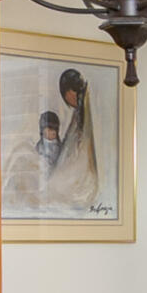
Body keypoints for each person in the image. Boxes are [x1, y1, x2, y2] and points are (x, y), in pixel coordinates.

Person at [42, 67, 102, 213]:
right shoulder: (79, 109)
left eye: (65, 95)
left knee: (57, 187)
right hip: (75, 164)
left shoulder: (84, 105)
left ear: (69, 91)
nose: (67, 99)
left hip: (82, 172)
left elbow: (82, 146)